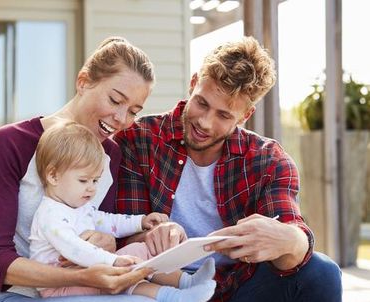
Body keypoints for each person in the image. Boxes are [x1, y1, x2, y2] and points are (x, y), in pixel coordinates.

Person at [113, 36, 343, 302]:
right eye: (202, 103)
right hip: (158, 285)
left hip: (237, 287)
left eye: (224, 115)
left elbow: (293, 250)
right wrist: (152, 234)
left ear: (245, 115)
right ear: (193, 83)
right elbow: (122, 235)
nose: (205, 123)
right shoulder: (139, 139)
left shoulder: (267, 160)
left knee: (322, 271)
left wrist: (289, 240)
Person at [0, 36, 171, 302]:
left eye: (133, 111)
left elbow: (101, 224)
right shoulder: (12, 143)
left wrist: (111, 241)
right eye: (115, 100)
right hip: (9, 294)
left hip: (82, 292)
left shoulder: (110, 154)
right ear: (83, 82)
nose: (122, 119)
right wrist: (79, 277)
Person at [29, 121, 216, 302]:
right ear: (53, 175)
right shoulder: (50, 215)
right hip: (61, 287)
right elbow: (74, 248)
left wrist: (140, 222)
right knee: (125, 275)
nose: (92, 189)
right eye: (84, 181)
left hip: (87, 270)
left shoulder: (78, 206)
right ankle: (174, 297)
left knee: (142, 249)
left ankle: (186, 281)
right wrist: (113, 262)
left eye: (95, 181)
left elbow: (107, 222)